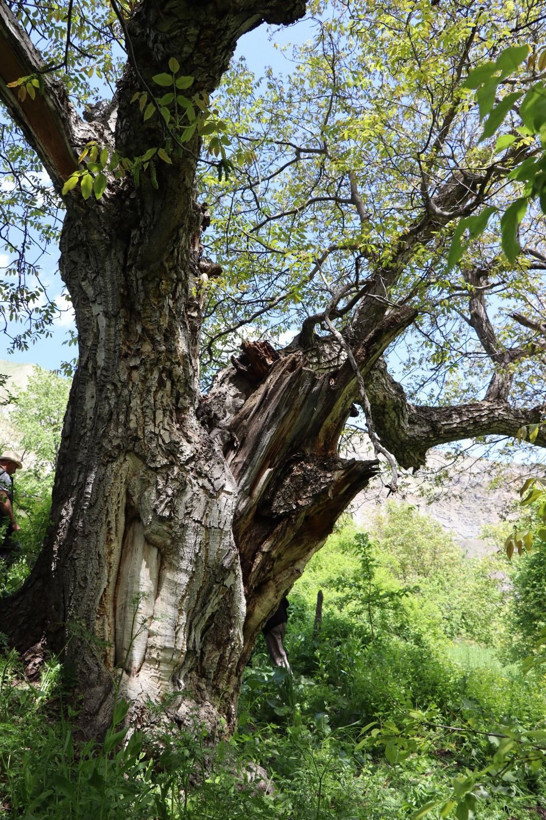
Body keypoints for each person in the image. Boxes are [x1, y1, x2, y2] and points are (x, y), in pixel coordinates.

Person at [0, 451, 23, 566]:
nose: (15, 470)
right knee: (15, 550)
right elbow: (3, 500)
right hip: (3, 524)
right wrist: (13, 522)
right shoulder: (3, 476)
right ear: (8, 463)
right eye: (15, 466)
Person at [262, 596, 291, 671]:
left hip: (272, 623)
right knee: (279, 650)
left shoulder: (261, 591)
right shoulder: (275, 589)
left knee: (278, 655)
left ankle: (286, 678)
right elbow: (286, 603)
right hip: (282, 621)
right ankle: (285, 676)